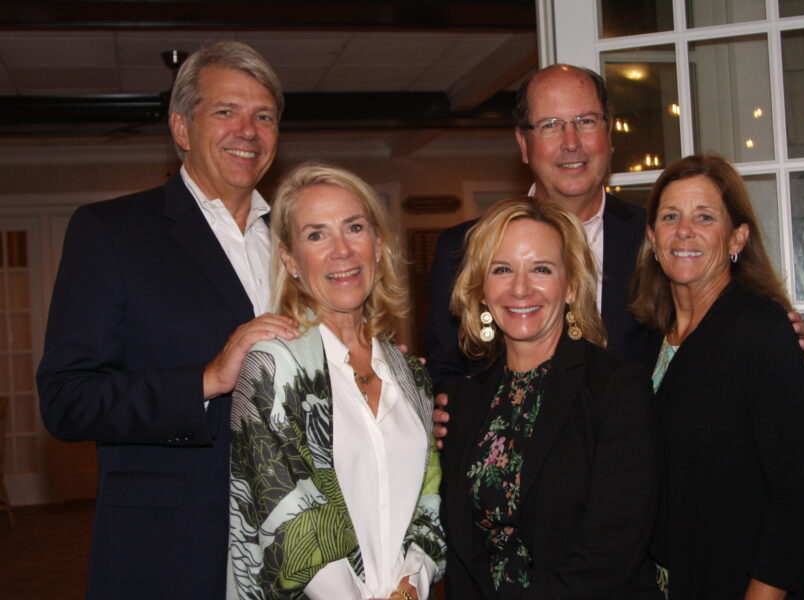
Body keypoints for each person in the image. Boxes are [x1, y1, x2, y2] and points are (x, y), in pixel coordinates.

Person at [36, 41, 299, 599]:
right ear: (181, 129)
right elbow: (65, 399)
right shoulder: (112, 232)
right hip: (173, 548)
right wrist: (206, 380)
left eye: (264, 116)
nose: (247, 130)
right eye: (226, 111)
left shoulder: (299, 240)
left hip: (299, 546)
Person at [426, 63, 804, 439]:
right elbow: (446, 368)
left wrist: (780, 345)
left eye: (586, 121)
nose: (571, 142)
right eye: (550, 125)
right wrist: (450, 412)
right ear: (522, 144)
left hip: (639, 476)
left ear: (609, 134)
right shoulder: (462, 249)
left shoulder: (660, 239)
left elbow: (719, 326)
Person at [228, 162, 446, 600]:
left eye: (354, 228)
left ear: (378, 244)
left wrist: (412, 582)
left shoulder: (411, 376)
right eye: (316, 235)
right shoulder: (273, 367)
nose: (341, 250)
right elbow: (293, 527)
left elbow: (429, 502)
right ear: (289, 258)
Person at [439, 196, 659, 599]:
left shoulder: (617, 388)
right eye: (502, 269)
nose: (520, 288)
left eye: (541, 269)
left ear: (571, 285)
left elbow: (611, 552)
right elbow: (462, 556)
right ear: (482, 290)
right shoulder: (463, 400)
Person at [630, 155, 804, 599]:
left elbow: (794, 500)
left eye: (705, 217)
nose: (684, 231)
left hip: (742, 584)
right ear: (653, 237)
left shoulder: (763, 331)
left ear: (737, 237)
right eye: (670, 216)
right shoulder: (647, 341)